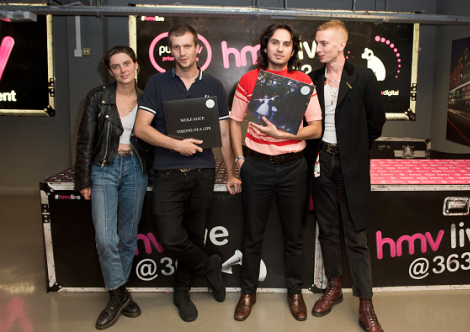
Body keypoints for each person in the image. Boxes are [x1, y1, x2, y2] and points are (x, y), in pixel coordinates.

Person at [134, 24, 241, 322]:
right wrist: (175, 145)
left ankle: (182, 291)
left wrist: (231, 173)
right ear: (170, 51)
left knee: (194, 236)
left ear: (198, 49)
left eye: (187, 46)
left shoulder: (215, 86)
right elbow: (141, 129)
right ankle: (209, 267)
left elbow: (222, 135)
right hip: (167, 172)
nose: (182, 53)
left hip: (203, 173)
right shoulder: (156, 83)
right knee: (169, 236)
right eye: (176, 47)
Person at [230, 23, 322, 322]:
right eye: (274, 43)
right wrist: (240, 161)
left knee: (294, 236)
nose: (280, 48)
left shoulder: (302, 81)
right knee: (252, 236)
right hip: (255, 166)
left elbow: (316, 128)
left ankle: (294, 293)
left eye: (286, 44)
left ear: (292, 49)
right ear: (265, 46)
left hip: (293, 168)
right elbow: (234, 121)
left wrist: (285, 136)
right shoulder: (249, 79)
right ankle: (248, 293)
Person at [306, 20, 386, 332]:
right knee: (327, 229)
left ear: (341, 44)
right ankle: (334, 286)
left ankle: (366, 303)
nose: (318, 49)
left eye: (324, 43)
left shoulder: (362, 76)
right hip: (320, 161)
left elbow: (375, 122)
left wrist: (354, 149)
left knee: (355, 235)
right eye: (316, 43)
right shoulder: (312, 78)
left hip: (351, 164)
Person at [75, 46, 151, 330]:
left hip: (135, 169)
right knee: (106, 239)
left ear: (136, 66)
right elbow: (85, 141)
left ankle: (117, 296)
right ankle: (119, 295)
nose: (122, 70)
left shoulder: (147, 98)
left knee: (128, 237)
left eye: (127, 64)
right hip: (104, 168)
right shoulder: (98, 97)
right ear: (110, 71)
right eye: (116, 66)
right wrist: (83, 180)